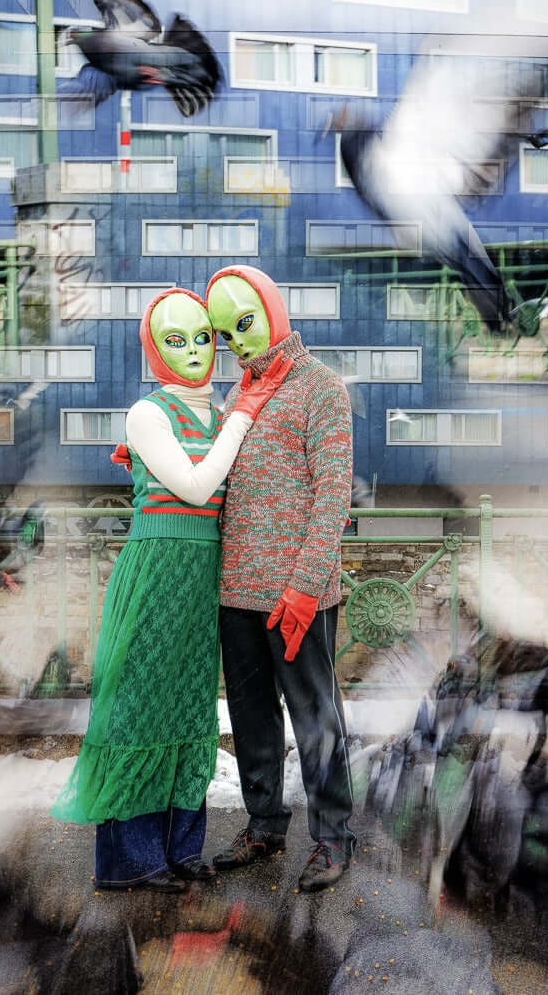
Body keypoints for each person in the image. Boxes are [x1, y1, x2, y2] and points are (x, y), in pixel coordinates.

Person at [51, 288, 291, 892]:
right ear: (154, 350)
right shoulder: (148, 412)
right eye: (175, 340)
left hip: (205, 575)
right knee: (140, 708)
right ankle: (132, 861)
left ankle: (181, 850)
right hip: (157, 572)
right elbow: (195, 487)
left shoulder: (221, 414)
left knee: (189, 707)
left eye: (203, 337)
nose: (193, 351)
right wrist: (244, 415)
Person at [205, 264, 356, 892]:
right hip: (237, 592)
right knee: (252, 718)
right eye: (224, 335)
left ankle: (334, 836)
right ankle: (264, 823)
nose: (236, 343)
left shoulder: (321, 388)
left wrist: (305, 585)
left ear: (272, 311)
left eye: (244, 324)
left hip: (299, 594)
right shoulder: (236, 398)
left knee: (316, 716)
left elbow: (332, 496)